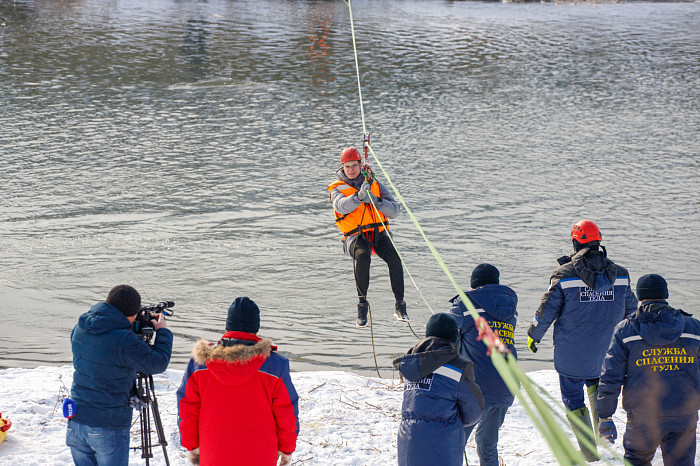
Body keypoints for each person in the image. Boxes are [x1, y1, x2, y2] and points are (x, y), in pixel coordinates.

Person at [526, 219, 637, 461]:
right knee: (597, 385)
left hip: (571, 355)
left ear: (575, 243)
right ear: (599, 242)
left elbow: (546, 312)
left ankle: (588, 450)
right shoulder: (621, 275)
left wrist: (533, 336)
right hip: (607, 354)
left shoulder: (564, 275)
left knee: (573, 398)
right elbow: (632, 311)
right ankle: (603, 432)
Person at [177, 297, 299, 466]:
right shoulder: (275, 365)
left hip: (213, 452)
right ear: (255, 328)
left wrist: (191, 445)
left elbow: (188, 408)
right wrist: (286, 449)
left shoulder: (200, 364)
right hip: (260, 454)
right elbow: (286, 412)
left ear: (228, 325)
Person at [597, 274, 700, 466]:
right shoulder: (693, 329)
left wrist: (605, 415)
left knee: (637, 461)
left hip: (643, 416)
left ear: (640, 297)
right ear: (665, 295)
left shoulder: (626, 330)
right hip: (684, 414)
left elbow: (610, 377)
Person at [66, 284, 173, 466]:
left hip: (76, 420)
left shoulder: (81, 327)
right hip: (107, 424)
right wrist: (162, 331)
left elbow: (105, 357)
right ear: (132, 313)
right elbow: (157, 363)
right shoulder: (124, 340)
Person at [328, 146, 407, 327]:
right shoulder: (335, 187)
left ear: (360, 165)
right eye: (347, 167)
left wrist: (375, 200)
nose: (351, 170)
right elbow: (340, 206)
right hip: (354, 238)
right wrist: (358, 197)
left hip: (378, 233)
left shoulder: (374, 183)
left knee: (395, 258)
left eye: (354, 166)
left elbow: (395, 211)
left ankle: (400, 306)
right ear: (342, 167)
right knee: (363, 257)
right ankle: (362, 308)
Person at [393, 313, 485, 466]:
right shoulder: (458, 367)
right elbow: (474, 412)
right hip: (443, 445)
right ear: (454, 338)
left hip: (408, 441)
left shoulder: (411, 363)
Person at [449, 263, 517, 466]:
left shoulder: (464, 304)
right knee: (487, 444)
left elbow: (446, 337)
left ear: (473, 285)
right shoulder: (510, 309)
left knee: (454, 443)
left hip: (476, 387)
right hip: (506, 385)